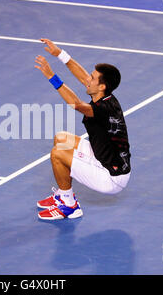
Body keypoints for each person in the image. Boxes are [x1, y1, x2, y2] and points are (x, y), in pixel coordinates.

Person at [34, 38, 131, 220]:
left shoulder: (102, 109)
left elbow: (76, 104)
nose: (88, 78)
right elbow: (81, 76)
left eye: (92, 78)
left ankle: (69, 205)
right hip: (103, 158)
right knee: (61, 139)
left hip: (111, 177)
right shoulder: (105, 96)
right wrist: (60, 54)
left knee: (57, 153)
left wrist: (51, 76)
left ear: (101, 86)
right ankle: (64, 196)